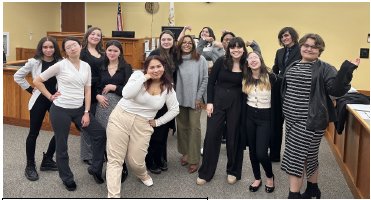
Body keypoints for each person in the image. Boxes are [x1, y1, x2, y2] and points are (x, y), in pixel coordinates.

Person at [280, 33, 360, 199]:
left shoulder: (325, 68)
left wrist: (346, 70)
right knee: (309, 156)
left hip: (310, 121)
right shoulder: (293, 64)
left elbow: (336, 90)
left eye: (314, 46)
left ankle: (293, 195)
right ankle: (313, 189)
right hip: (292, 120)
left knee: (295, 157)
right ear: (300, 46)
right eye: (306, 45)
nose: (309, 48)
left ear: (320, 50)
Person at [33, 37, 106, 191]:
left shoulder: (86, 66)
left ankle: (95, 168)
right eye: (68, 47)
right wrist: (50, 96)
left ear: (80, 46)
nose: (72, 48)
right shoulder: (60, 65)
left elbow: (87, 89)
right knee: (62, 145)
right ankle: (66, 177)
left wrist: (86, 112)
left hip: (79, 109)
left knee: (100, 134)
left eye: (74, 45)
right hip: (60, 110)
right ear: (65, 51)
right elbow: (37, 81)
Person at [105, 55, 179, 198]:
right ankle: (113, 195)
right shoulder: (137, 75)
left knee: (136, 161)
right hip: (120, 117)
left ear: (164, 67)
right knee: (115, 159)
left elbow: (175, 109)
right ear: (146, 68)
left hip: (143, 124)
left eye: (159, 66)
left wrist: (158, 122)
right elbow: (126, 94)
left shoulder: (168, 87)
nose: (156, 70)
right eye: (152, 67)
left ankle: (143, 175)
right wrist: (145, 77)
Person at [196, 37, 247, 185]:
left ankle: (233, 171)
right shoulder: (221, 61)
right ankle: (205, 172)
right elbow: (211, 82)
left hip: (237, 103)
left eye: (239, 47)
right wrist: (209, 103)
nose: (235, 50)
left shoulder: (247, 65)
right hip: (217, 102)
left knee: (233, 137)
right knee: (211, 136)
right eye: (233, 47)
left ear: (243, 49)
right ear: (228, 49)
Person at [14, 36, 62, 181]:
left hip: (55, 100)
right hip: (39, 100)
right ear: (41, 48)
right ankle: (30, 165)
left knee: (60, 131)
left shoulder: (61, 62)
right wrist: (30, 89)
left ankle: (47, 159)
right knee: (33, 133)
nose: (48, 50)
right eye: (45, 47)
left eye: (51, 47)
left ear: (55, 48)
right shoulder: (34, 62)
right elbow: (18, 76)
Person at [240, 51, 283, 193]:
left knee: (261, 153)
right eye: (250, 58)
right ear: (247, 63)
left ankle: (270, 176)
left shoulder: (272, 78)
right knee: (252, 151)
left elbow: (280, 98)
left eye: (255, 57)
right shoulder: (245, 78)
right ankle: (257, 178)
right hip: (250, 117)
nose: (253, 60)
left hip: (266, 118)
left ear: (260, 60)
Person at [95, 40, 132, 183]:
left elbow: (130, 91)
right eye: (109, 50)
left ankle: (122, 166)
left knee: (117, 137)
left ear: (120, 53)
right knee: (104, 136)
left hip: (119, 106)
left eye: (115, 51)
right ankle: (110, 165)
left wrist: (113, 87)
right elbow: (94, 85)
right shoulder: (101, 66)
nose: (112, 53)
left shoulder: (126, 68)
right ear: (106, 51)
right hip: (102, 107)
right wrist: (97, 95)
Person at [145, 30, 177, 174]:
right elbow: (149, 72)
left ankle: (162, 158)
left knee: (163, 130)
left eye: (169, 39)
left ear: (173, 40)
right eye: (163, 39)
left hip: (168, 93)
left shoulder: (175, 54)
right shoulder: (155, 53)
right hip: (155, 92)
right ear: (160, 40)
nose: (166, 42)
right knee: (153, 130)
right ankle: (150, 160)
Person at [175, 35, 208, 173]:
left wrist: (198, 97)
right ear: (180, 44)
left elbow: (205, 79)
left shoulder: (200, 59)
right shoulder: (176, 59)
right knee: (182, 128)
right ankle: (185, 153)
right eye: (184, 42)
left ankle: (194, 159)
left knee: (194, 128)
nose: (187, 45)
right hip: (179, 98)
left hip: (195, 99)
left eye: (190, 43)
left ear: (193, 45)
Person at [270, 27, 301, 162]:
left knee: (293, 124)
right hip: (278, 90)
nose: (284, 38)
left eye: (286, 35)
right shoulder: (280, 52)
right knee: (276, 122)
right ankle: (275, 154)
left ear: (293, 36)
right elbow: (276, 68)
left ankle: (292, 156)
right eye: (282, 37)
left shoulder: (301, 50)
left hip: (294, 90)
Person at [79, 27, 105, 165]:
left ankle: (97, 151)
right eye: (93, 34)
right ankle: (87, 155)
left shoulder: (102, 52)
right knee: (87, 122)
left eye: (98, 35)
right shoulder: (82, 52)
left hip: (100, 89)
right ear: (87, 35)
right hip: (86, 89)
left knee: (98, 122)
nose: (95, 36)